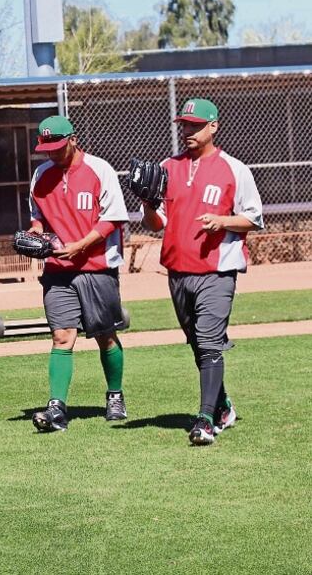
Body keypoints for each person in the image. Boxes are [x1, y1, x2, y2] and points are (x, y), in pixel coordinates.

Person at [141, 98, 263, 446]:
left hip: (217, 270)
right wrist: (150, 205)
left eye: (195, 125)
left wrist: (222, 221)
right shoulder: (167, 167)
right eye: (185, 125)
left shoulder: (234, 169)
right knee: (199, 346)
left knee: (209, 343)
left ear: (213, 127)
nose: (188, 131)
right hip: (178, 270)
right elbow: (154, 223)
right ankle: (223, 406)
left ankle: (206, 420)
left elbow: (254, 218)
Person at [26, 115, 131, 433]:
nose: (52, 153)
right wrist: (36, 235)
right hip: (58, 270)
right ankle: (57, 407)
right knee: (62, 336)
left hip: (97, 267)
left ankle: (115, 395)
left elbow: (112, 220)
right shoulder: (40, 176)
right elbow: (37, 218)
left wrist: (79, 246)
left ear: (73, 139)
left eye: (57, 146)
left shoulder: (100, 170)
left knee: (104, 336)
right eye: (47, 148)